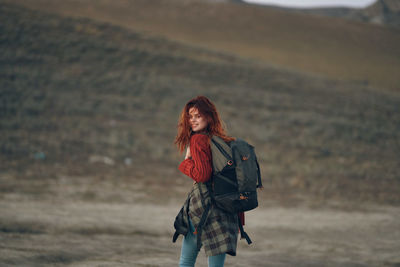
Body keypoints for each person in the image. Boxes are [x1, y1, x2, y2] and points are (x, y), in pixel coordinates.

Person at [173, 95, 244, 267]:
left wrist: (185, 163)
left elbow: (203, 175)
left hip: (204, 208)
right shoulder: (221, 140)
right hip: (226, 209)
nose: (193, 120)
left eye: (198, 116)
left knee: (187, 260)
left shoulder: (198, 139)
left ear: (208, 116)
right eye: (190, 116)